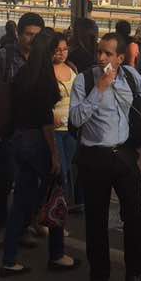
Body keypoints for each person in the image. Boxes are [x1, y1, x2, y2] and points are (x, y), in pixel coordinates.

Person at [70, 32, 141, 281]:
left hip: (123, 154)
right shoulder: (85, 80)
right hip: (94, 156)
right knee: (96, 219)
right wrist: (99, 89)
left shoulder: (131, 77)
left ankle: (135, 274)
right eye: (99, 52)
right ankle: (99, 276)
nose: (101, 58)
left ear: (121, 58)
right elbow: (75, 119)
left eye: (108, 54)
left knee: (134, 216)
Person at [0, 33, 79, 276]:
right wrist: (54, 154)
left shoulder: (23, 74)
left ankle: (9, 258)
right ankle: (57, 254)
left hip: (20, 139)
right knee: (56, 195)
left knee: (21, 202)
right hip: (39, 141)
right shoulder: (44, 79)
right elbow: (46, 122)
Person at [0, 12, 45, 246]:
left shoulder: (43, 59)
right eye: (28, 34)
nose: (32, 40)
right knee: (4, 179)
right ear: (18, 34)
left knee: (28, 181)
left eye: (36, 36)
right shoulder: (4, 57)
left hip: (32, 130)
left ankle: (22, 226)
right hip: (5, 130)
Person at [49, 32, 80, 213]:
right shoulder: (45, 71)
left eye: (64, 49)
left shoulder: (72, 68)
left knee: (68, 169)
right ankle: (54, 211)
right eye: (57, 50)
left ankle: (61, 209)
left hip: (71, 128)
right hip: (54, 129)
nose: (61, 53)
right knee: (59, 172)